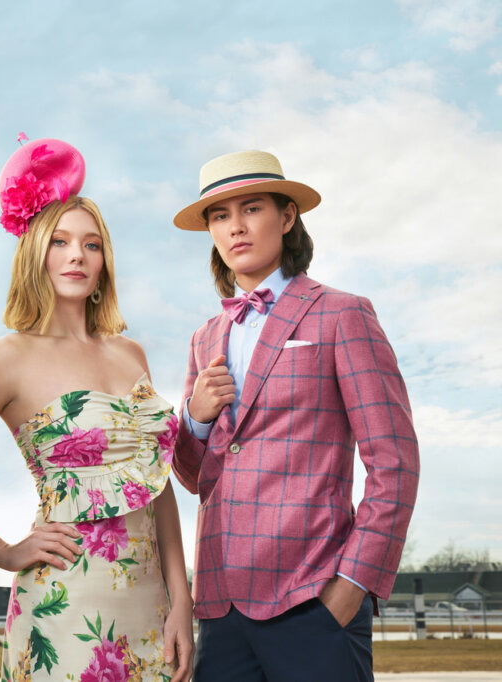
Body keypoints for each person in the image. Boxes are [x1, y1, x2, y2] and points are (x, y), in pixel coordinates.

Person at [171, 149, 420, 681]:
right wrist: (193, 418)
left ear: (286, 217)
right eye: (219, 215)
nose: (235, 227)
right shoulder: (204, 339)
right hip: (220, 606)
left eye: (252, 208)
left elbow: (394, 463)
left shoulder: (342, 314)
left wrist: (352, 584)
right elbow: (194, 478)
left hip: (314, 597)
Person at [0, 138, 195, 682]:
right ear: (36, 252)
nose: (76, 256)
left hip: (152, 604)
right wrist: (4, 552)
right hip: (61, 603)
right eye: (60, 241)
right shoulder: (5, 359)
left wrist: (182, 600)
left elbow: (157, 488)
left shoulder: (130, 353)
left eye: (91, 244)